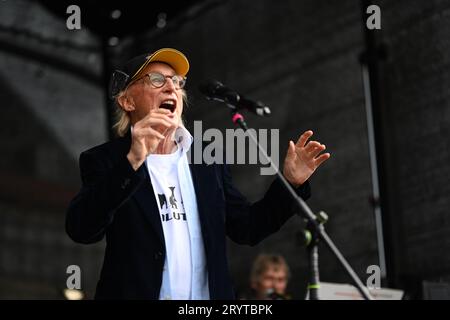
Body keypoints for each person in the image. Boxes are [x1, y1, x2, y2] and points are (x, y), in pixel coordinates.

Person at [65, 48, 331, 300]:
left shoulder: (206, 159)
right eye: (156, 80)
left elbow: (247, 228)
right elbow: (83, 229)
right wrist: (133, 159)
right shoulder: (104, 160)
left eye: (177, 82)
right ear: (127, 100)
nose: (171, 87)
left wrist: (291, 183)